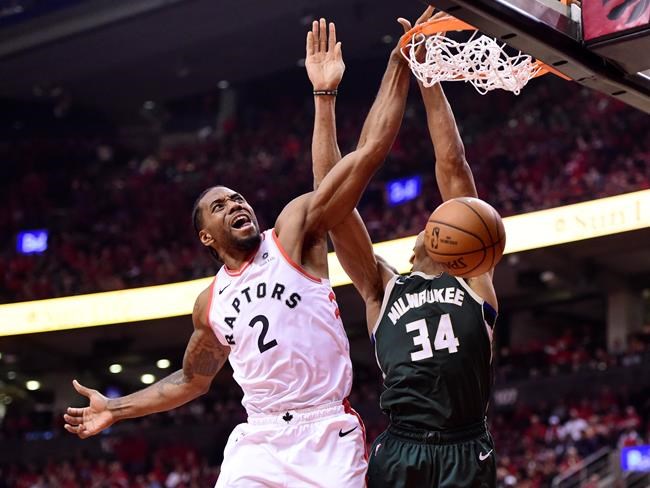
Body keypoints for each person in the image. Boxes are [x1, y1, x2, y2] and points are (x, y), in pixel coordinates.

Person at [63, 18, 411, 488]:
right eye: (219, 206)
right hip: (260, 441)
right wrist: (116, 409)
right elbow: (191, 379)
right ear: (206, 237)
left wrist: (333, 91)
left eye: (238, 198)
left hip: (325, 430)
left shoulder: (291, 237)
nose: (235, 204)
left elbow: (351, 168)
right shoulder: (210, 302)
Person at [312, 9, 499, 487]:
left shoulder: (473, 275)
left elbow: (452, 163)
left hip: (464, 447)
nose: (432, 219)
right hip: (401, 448)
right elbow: (332, 199)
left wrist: (427, 73)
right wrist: (325, 98)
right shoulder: (381, 287)